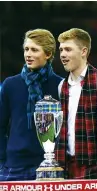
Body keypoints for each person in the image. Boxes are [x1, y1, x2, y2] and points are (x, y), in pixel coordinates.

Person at [0, 29, 62, 181]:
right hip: (14, 166)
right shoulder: (10, 85)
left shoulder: (60, 85)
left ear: (48, 54)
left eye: (34, 50)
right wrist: (1, 162)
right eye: (26, 49)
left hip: (50, 164)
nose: (28, 54)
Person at [56, 28, 97, 179]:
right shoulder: (61, 86)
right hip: (66, 161)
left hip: (93, 161)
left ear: (83, 51)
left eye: (68, 49)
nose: (63, 55)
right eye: (61, 50)